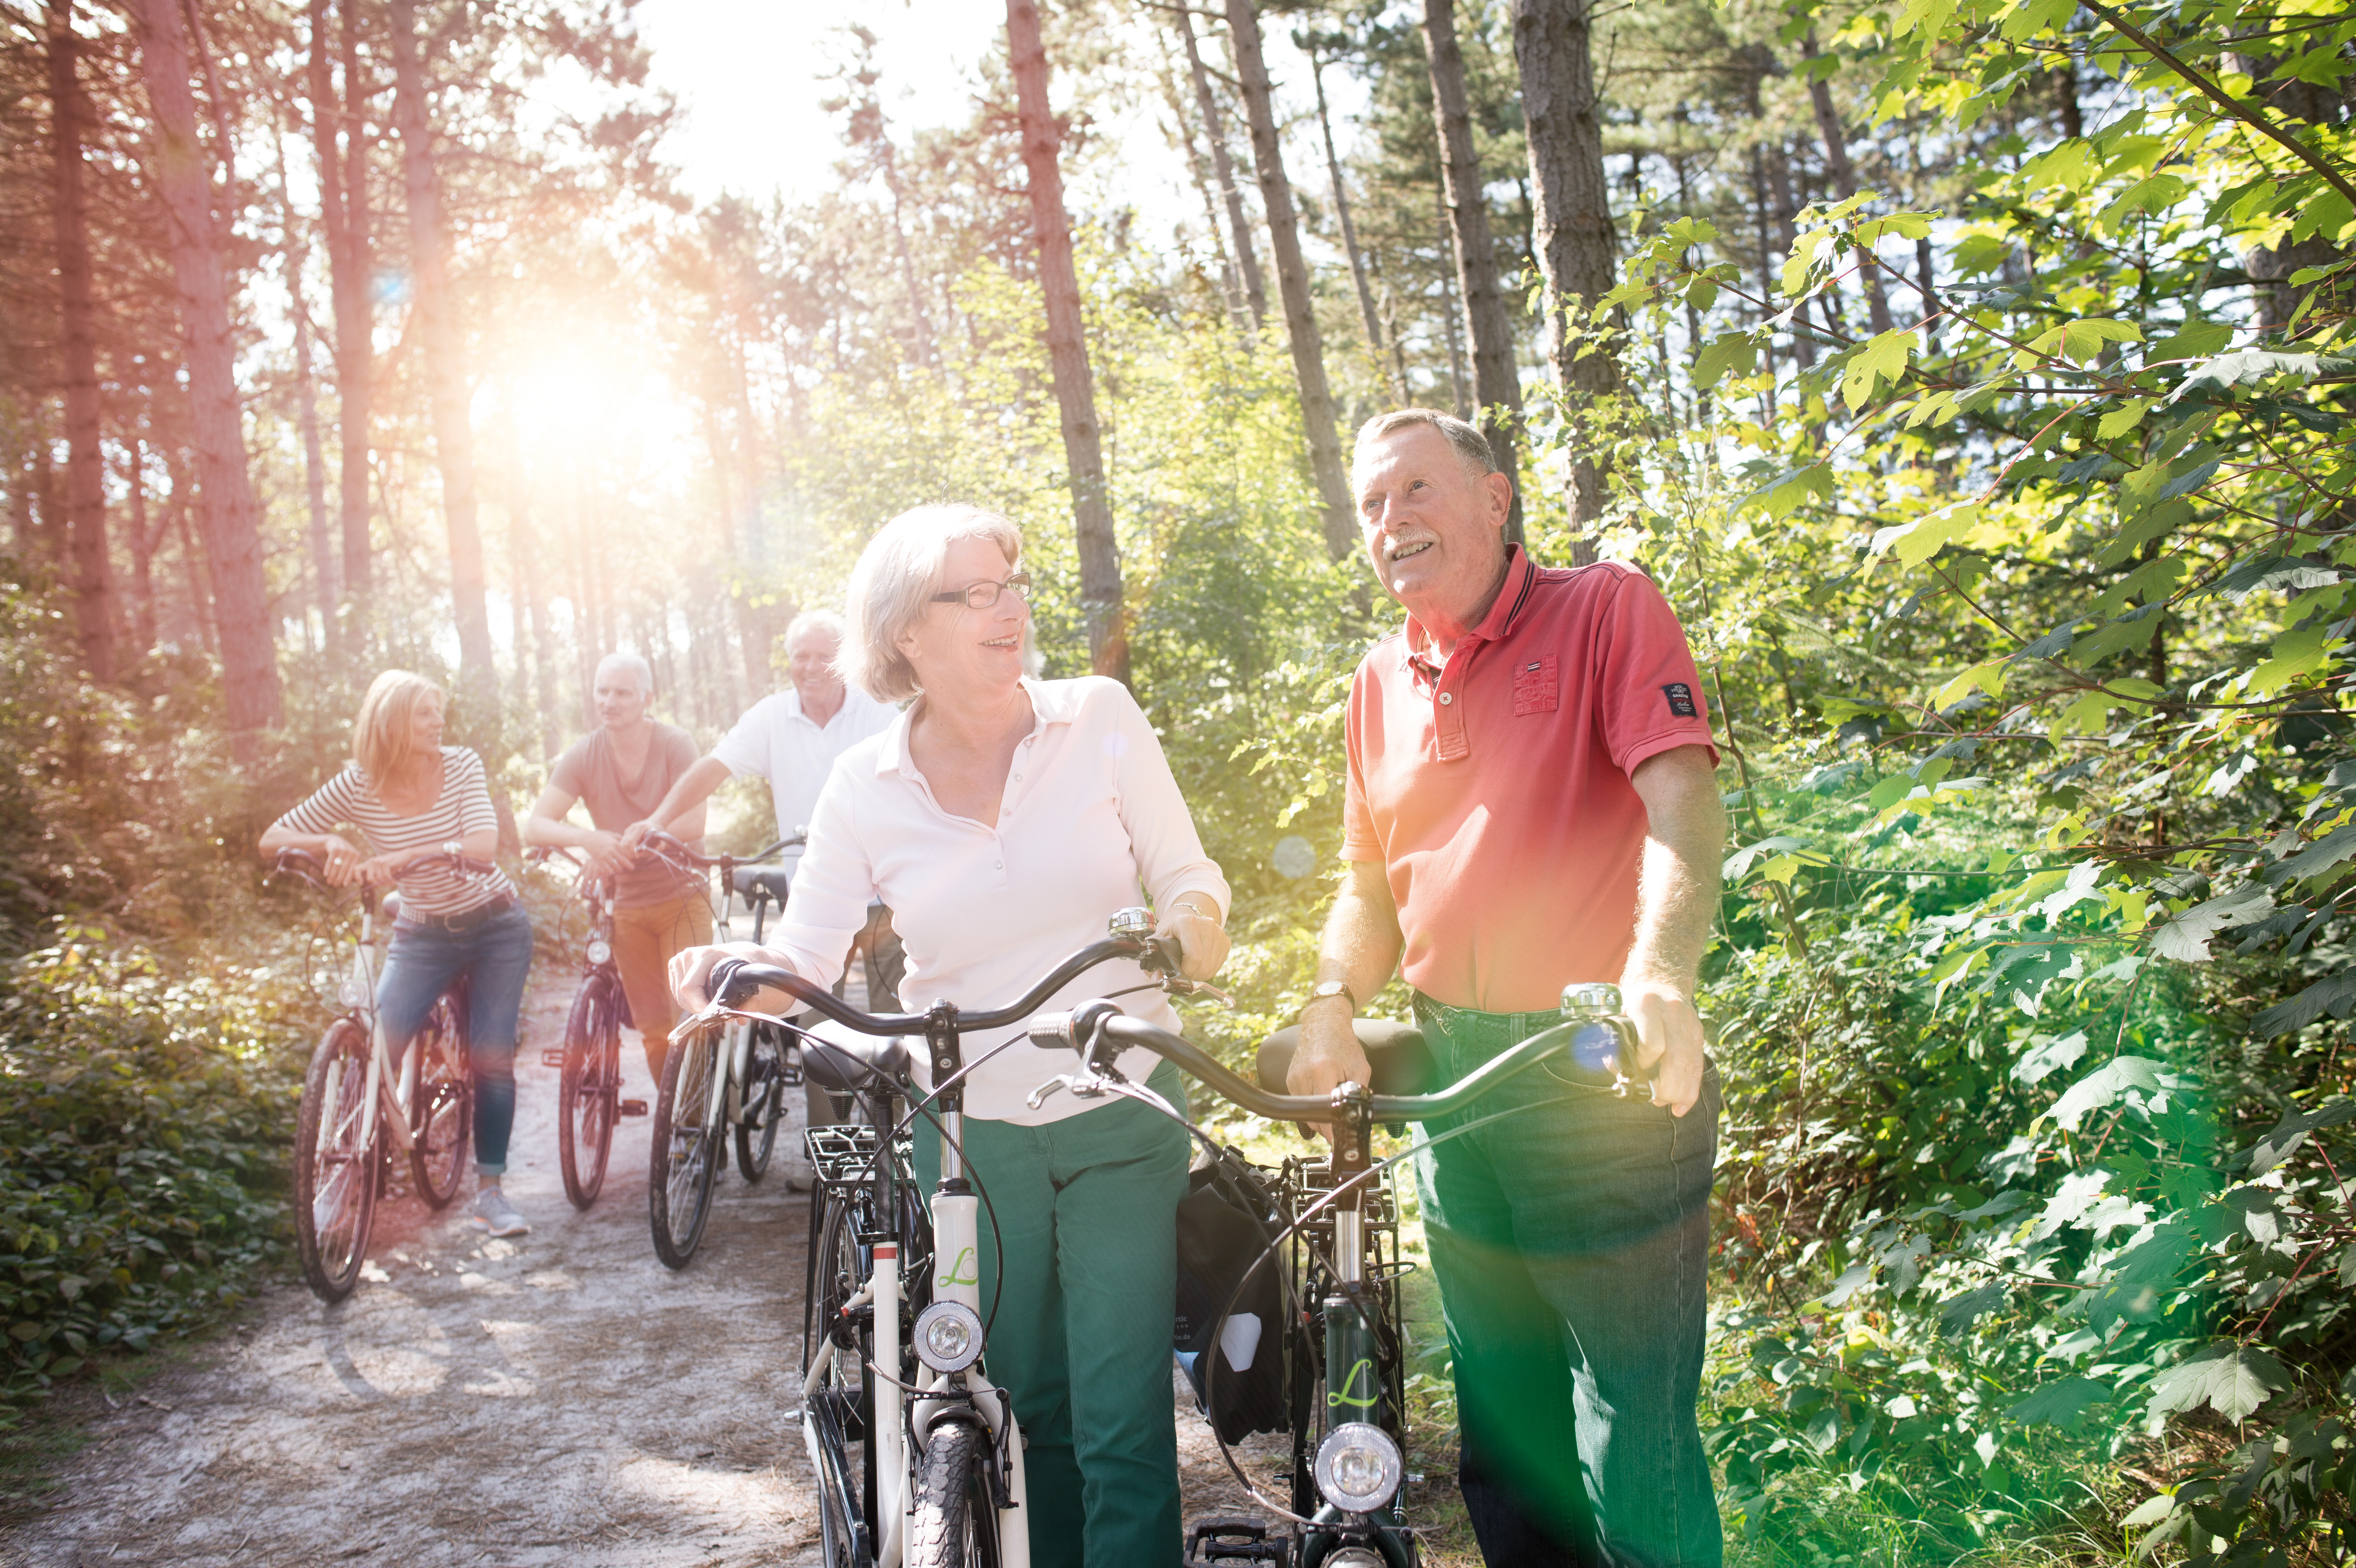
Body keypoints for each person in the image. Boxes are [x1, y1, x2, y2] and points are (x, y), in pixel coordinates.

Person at [668, 503, 1230, 1568]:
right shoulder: (865, 785)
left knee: (1119, 1417)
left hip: (1120, 1101)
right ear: (904, 635)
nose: (1007, 606)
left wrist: (1192, 924)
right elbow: (809, 955)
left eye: (1010, 583)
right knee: (1024, 1409)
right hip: (971, 1128)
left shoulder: (1097, 715)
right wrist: (727, 976)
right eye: (972, 593)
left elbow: (1188, 874)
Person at [1287, 410, 1728, 1567]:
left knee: (1632, 1436)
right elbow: (1366, 884)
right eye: (1373, 506)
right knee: (1506, 1430)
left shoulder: (1603, 610)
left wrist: (1662, 974)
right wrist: (1331, 998)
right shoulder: (1376, 680)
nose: (1393, 520)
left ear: (1496, 498)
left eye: (1418, 489)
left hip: (1595, 1074)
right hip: (1455, 1089)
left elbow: (1682, 801)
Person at [261, 670, 539, 1239]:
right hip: (422, 934)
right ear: (391, 723)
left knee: (491, 1058)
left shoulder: (460, 764)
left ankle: (490, 1193)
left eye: (439, 712)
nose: (439, 722)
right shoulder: (357, 784)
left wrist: (407, 855)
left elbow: (484, 848)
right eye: (424, 714)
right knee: (374, 1047)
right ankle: (341, 1182)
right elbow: (272, 839)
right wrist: (328, 841)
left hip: (495, 929)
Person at [621, 610, 905, 1009]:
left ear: (843, 660)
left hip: (885, 897)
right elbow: (711, 770)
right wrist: (656, 820)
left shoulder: (875, 711)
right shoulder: (771, 717)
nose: (811, 668)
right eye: (801, 656)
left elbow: (911, 777)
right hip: (815, 899)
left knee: (899, 1025)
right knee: (815, 1037)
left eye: (824, 657)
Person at [521, 652, 711, 1082]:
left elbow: (693, 822)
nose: (610, 701)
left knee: (691, 1016)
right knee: (653, 1028)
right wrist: (588, 840)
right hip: (626, 905)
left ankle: (701, 1127)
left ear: (647, 697)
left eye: (622, 692)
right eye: (602, 691)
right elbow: (536, 825)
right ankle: (675, 1133)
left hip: (682, 896)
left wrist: (629, 844)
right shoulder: (584, 753)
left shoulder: (674, 744)